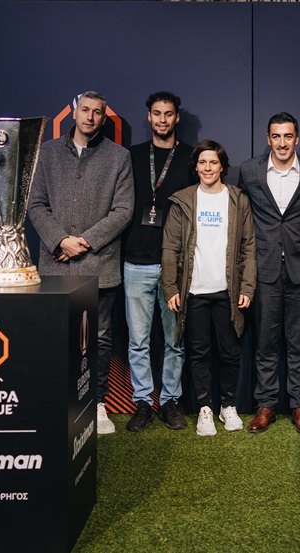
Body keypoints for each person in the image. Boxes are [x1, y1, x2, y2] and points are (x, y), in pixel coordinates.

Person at [28, 91, 133, 435]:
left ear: (103, 117)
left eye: (97, 112)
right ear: (75, 113)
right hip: (55, 266)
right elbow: (35, 204)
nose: (90, 116)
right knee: (56, 336)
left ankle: (97, 403)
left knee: (99, 340)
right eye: (85, 110)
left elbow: (123, 210)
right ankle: (57, 402)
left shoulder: (118, 157)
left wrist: (82, 243)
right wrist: (60, 240)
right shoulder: (47, 153)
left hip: (99, 266)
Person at [237, 112, 300, 435]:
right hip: (264, 269)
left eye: (288, 136)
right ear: (268, 139)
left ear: (296, 138)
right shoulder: (249, 171)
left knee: (299, 343)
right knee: (265, 343)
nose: (282, 142)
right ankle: (266, 405)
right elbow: (241, 218)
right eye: (276, 136)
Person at [161, 140, 256, 437]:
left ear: (222, 166)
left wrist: (248, 286)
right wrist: (170, 287)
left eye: (213, 162)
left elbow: (249, 247)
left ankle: (228, 405)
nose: (207, 168)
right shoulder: (184, 201)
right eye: (202, 162)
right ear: (196, 166)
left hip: (228, 292)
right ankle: (204, 408)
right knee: (198, 353)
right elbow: (170, 247)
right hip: (194, 292)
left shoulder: (238, 199)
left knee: (230, 352)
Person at [124, 92, 193, 432]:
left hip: (174, 265)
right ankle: (141, 402)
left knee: (174, 341)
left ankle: (169, 402)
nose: (162, 120)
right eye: (156, 113)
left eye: (168, 114)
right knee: (138, 341)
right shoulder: (133, 155)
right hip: (135, 260)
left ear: (176, 117)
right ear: (149, 117)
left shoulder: (191, 157)